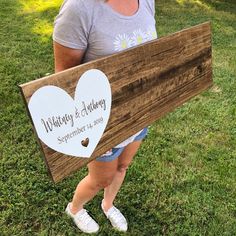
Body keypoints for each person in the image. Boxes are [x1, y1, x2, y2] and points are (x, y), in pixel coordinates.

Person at [53, 0, 157, 233]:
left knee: (123, 166)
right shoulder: (79, 8)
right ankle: (75, 208)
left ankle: (108, 205)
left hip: (139, 114)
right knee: (101, 179)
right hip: (102, 125)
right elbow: (65, 80)